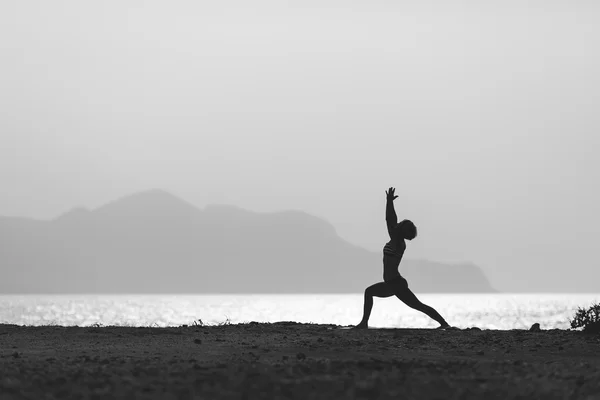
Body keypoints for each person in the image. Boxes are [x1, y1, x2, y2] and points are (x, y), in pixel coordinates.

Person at [354, 187, 450, 329]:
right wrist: (389, 202)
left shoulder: (398, 242)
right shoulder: (395, 239)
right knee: (371, 293)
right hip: (392, 283)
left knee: (417, 305)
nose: (397, 225)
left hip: (395, 284)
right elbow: (390, 220)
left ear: (402, 230)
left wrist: (389, 203)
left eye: (400, 225)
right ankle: (364, 323)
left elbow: (390, 220)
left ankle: (444, 324)